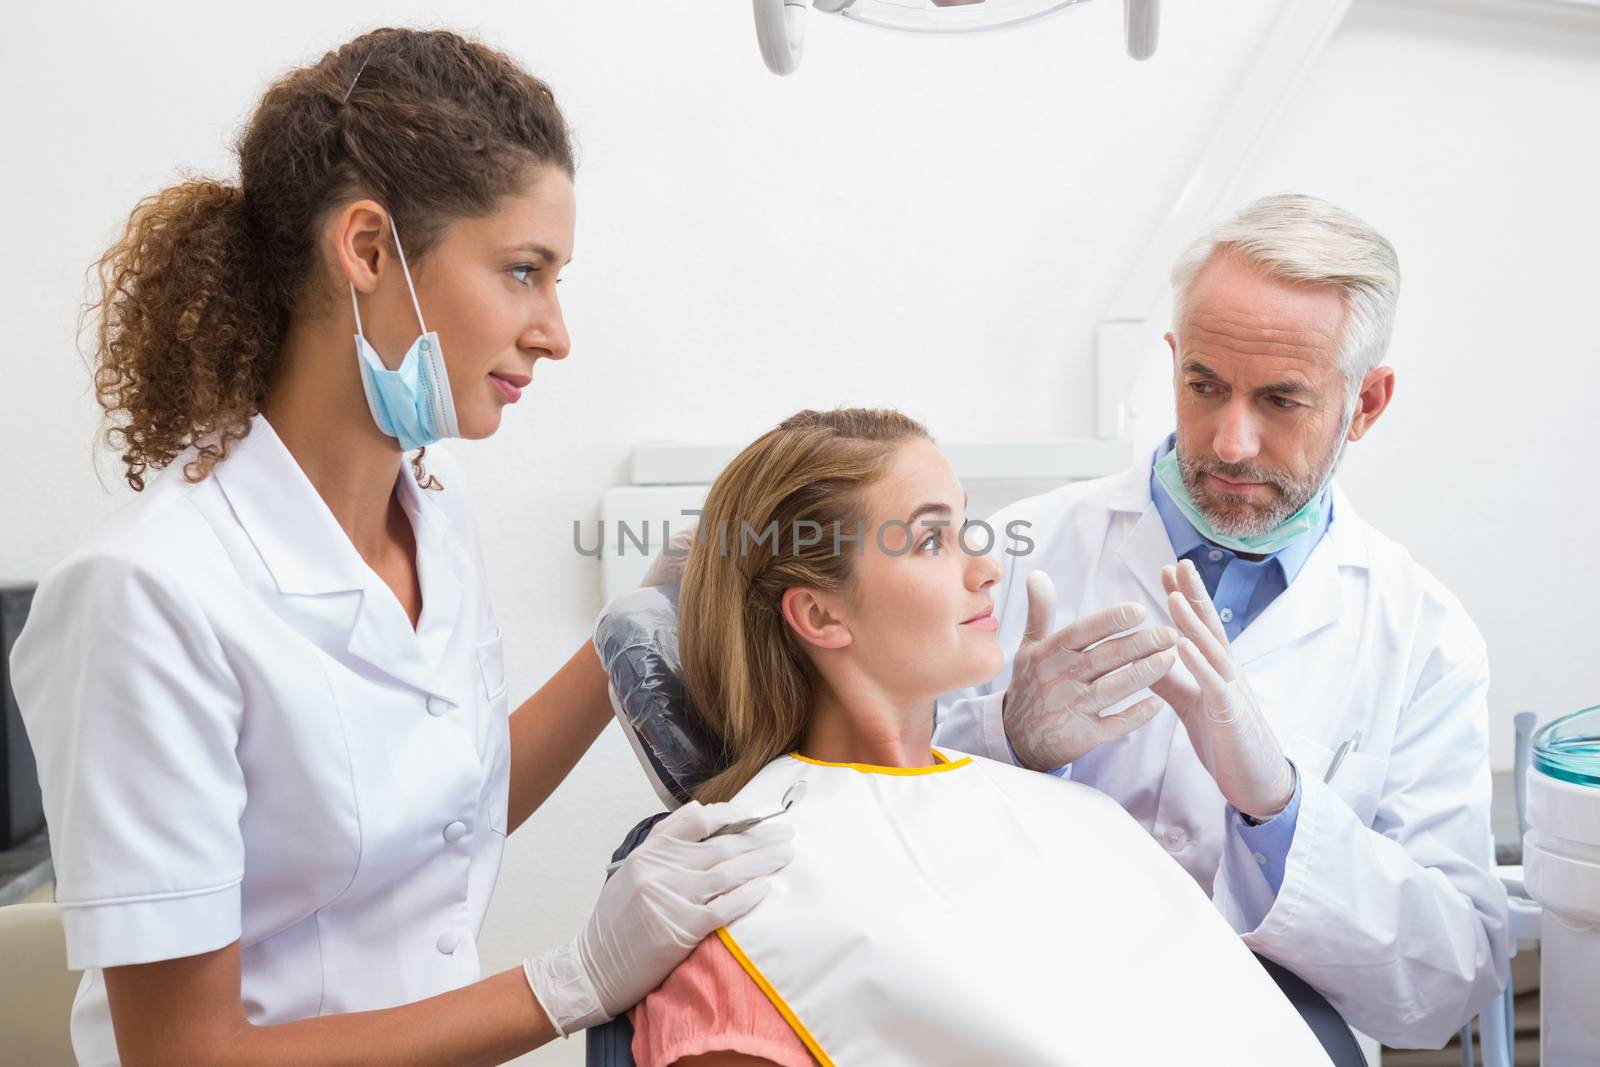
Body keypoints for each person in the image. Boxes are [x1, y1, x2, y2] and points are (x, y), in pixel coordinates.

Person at [9, 28, 791, 1066]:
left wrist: (633, 634)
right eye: (524, 271)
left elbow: (442, 809)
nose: (555, 330)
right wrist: (570, 980)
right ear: (369, 250)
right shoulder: (147, 596)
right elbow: (185, 1054)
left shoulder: (430, 500)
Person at [935, 193, 1509, 1048]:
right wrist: (1006, 742)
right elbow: (871, 827)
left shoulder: (1423, 636)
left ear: (1367, 403)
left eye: (1282, 400)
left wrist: (1275, 804)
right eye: (1204, 386)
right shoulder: (1016, 554)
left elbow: (1445, 981)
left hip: (1262, 1033)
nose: (1231, 441)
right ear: (1172, 362)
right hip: (1016, 1016)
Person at [624, 408, 1333, 1067]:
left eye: (967, 524)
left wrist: (1273, 799)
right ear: (819, 612)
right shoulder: (734, 906)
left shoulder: (1077, 813)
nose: (988, 565)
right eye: (932, 538)